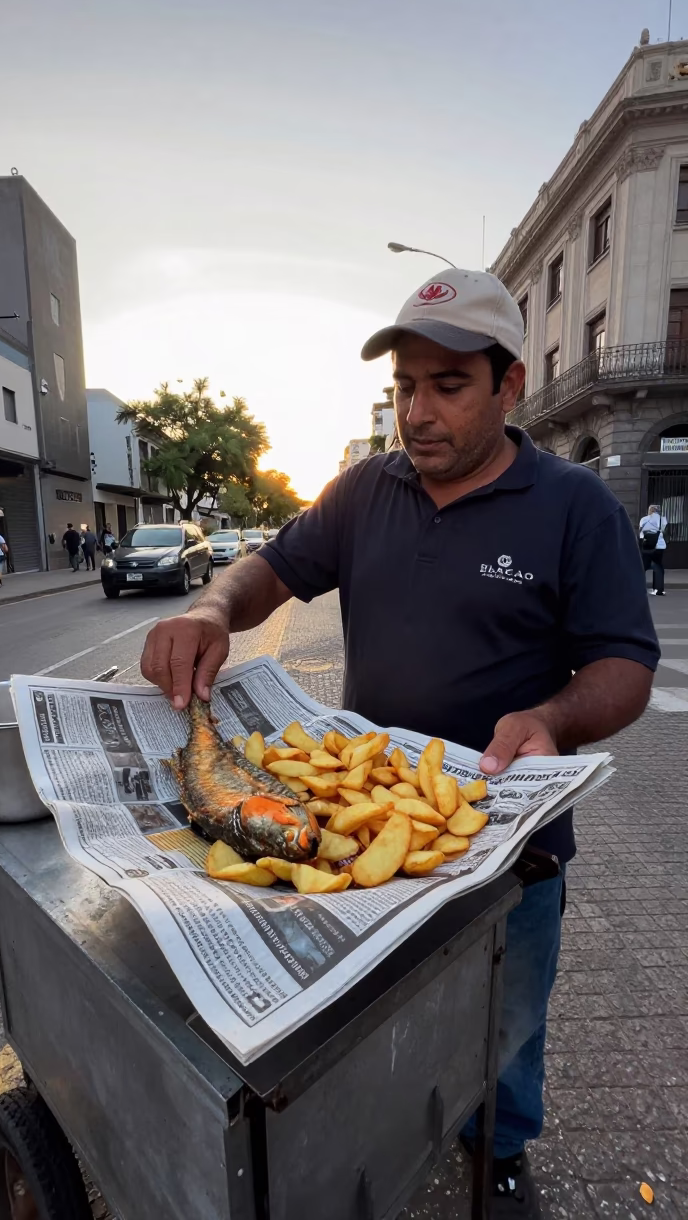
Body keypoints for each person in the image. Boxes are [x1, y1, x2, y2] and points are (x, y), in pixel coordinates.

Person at [139, 268, 659, 1218]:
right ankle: (380, 1134)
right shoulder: (362, 491)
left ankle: (498, 1152)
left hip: (510, 850)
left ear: (509, 387)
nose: (417, 413)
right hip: (363, 844)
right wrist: (214, 604)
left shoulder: (577, 506)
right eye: (404, 388)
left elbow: (626, 663)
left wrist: (555, 719)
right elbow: (272, 568)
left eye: (447, 385)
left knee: (508, 1025)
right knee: (375, 1024)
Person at [639, 503, 667, 596]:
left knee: (643, 567)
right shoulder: (663, 520)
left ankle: (640, 588)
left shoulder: (644, 519)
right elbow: (664, 530)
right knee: (658, 566)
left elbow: (641, 533)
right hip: (659, 546)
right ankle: (658, 590)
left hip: (646, 545)